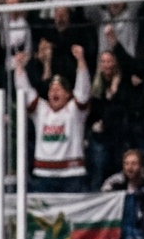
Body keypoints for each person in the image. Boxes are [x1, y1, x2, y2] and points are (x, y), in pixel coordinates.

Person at [13, 45, 91, 192]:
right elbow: (23, 91)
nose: (54, 91)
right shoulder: (40, 110)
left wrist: (81, 60)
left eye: (59, 88)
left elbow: (83, 90)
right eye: (51, 89)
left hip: (72, 174)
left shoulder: (75, 110)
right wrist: (18, 66)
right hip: (43, 174)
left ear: (68, 94)